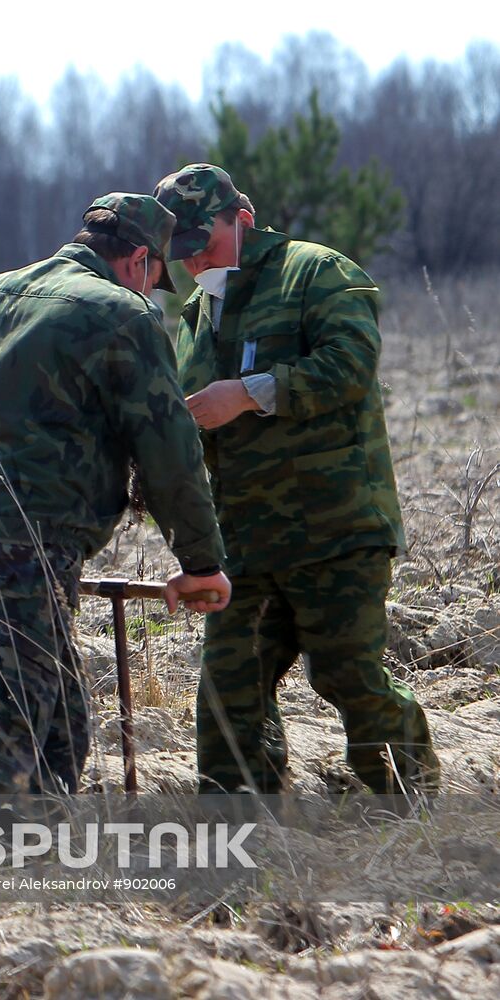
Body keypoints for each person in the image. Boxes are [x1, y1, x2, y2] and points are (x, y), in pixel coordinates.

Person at [0, 193, 232, 800]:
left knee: (57, 727)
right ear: (138, 260)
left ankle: (27, 854)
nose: (151, 293)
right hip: (23, 548)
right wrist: (201, 563)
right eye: (154, 280)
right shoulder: (123, 314)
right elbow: (169, 453)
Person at [153, 162, 439, 795]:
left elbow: (351, 364)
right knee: (229, 688)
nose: (195, 263)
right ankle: (237, 824)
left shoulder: (315, 273)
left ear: (242, 219)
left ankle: (412, 803)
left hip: (334, 531)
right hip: (245, 543)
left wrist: (247, 394)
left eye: (205, 244)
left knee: (346, 676)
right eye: (182, 253)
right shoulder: (196, 314)